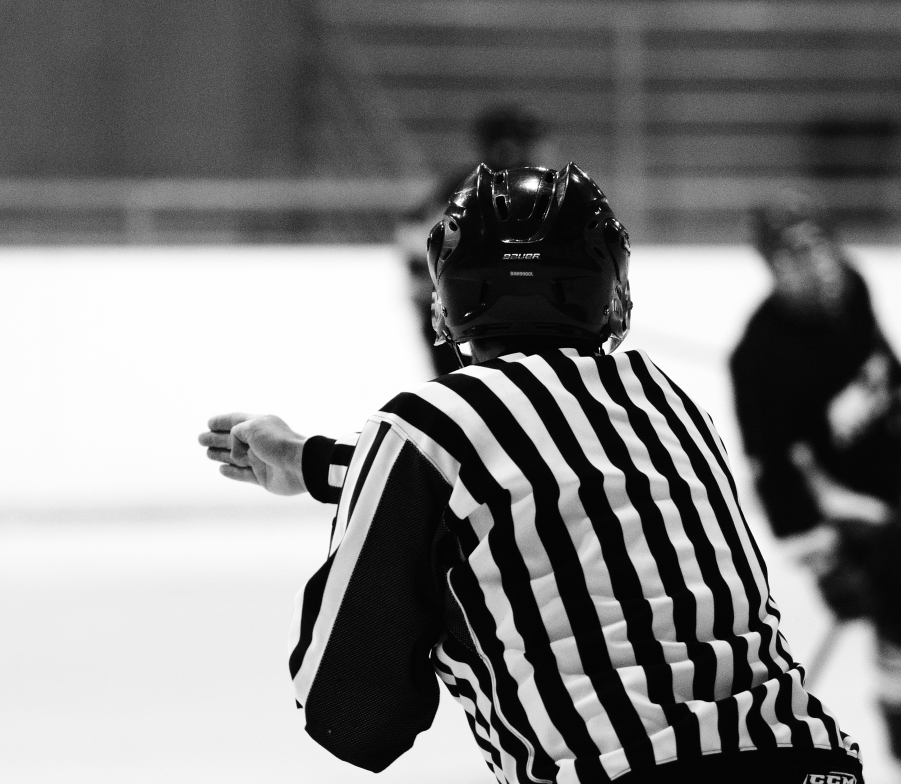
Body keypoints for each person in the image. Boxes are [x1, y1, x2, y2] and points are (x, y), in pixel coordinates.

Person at [201, 164, 865, 783]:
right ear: (612, 289)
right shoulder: (672, 407)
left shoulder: (426, 427)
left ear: (448, 298)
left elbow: (351, 715)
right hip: (815, 762)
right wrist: (312, 460)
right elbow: (546, 474)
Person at [730, 197, 901, 776]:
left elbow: (882, 365)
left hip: (891, 497)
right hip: (848, 520)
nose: (816, 265)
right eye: (795, 256)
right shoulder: (759, 356)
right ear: (772, 266)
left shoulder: (852, 291)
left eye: (820, 247)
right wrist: (824, 562)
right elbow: (773, 471)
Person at [399, 104, 553, 376]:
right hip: (477, 317)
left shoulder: (467, 183)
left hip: (466, 313)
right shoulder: (522, 187)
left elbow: (414, 235)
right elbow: (416, 239)